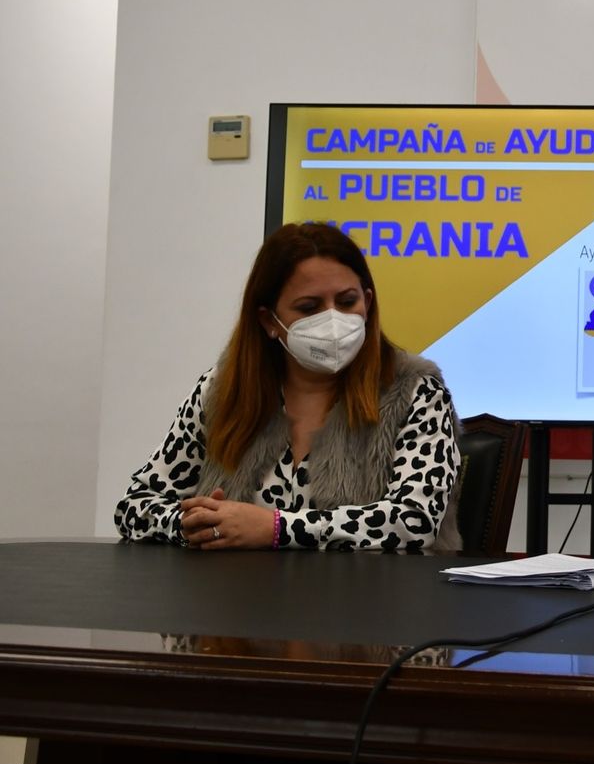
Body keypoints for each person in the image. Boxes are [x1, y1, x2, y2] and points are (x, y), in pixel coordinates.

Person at [114, 222, 462, 552]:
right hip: (235, 603)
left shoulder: (417, 391)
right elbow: (134, 507)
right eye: (309, 308)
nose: (333, 319)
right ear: (269, 321)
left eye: (347, 301)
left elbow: (414, 520)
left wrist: (277, 528)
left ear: (367, 303)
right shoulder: (221, 393)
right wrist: (193, 524)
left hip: (368, 605)